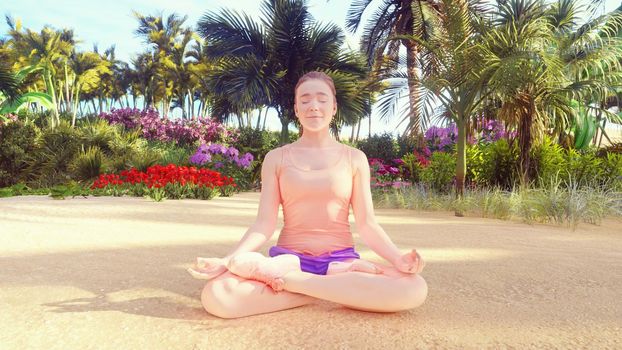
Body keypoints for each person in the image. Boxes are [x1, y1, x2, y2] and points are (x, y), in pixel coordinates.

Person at [187, 71, 427, 319]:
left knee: (414, 288)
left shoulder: (354, 158)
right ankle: (328, 290)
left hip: (342, 264)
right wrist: (228, 260)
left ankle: (296, 285)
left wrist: (397, 258)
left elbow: (367, 224)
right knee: (218, 295)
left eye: (322, 99)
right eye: (305, 100)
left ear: (334, 107)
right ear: (296, 108)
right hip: (288, 260)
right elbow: (264, 224)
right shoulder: (276, 158)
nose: (314, 106)